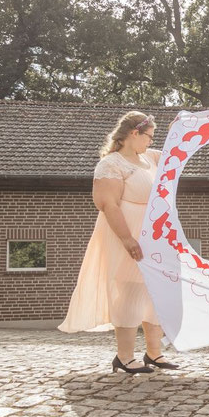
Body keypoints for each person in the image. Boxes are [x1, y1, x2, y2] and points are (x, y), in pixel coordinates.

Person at [59, 111, 179, 374]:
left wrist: (180, 127)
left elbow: (175, 153)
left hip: (154, 237)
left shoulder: (150, 158)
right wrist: (127, 238)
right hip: (127, 234)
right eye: (148, 136)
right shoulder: (111, 164)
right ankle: (124, 357)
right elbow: (108, 204)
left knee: (154, 293)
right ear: (134, 134)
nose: (151, 141)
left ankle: (154, 353)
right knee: (130, 292)